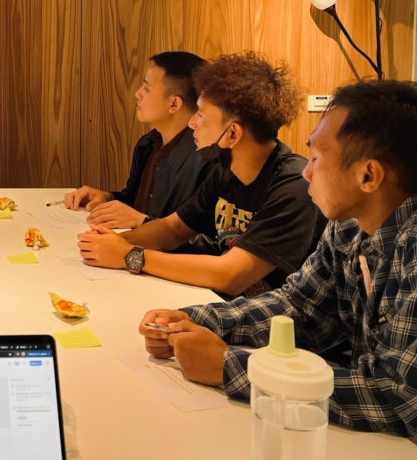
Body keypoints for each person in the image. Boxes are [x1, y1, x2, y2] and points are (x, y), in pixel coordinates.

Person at [139, 80, 417, 439]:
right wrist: (194, 319)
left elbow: (401, 396)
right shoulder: (349, 227)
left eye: (317, 158)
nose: (307, 172)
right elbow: (300, 308)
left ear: (368, 175)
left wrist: (232, 367)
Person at [77, 52, 326, 297]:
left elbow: (231, 276)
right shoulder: (226, 171)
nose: (192, 123)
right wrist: (105, 243)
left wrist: (128, 255)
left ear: (232, 134)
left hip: (272, 325)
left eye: (202, 117)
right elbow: (173, 229)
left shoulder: (293, 186)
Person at [65, 51, 210, 230]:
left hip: (156, 254)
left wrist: (142, 222)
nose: (137, 94)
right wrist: (108, 198)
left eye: (147, 89)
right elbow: (137, 204)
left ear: (174, 104)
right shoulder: (148, 143)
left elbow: (193, 235)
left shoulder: (204, 158)